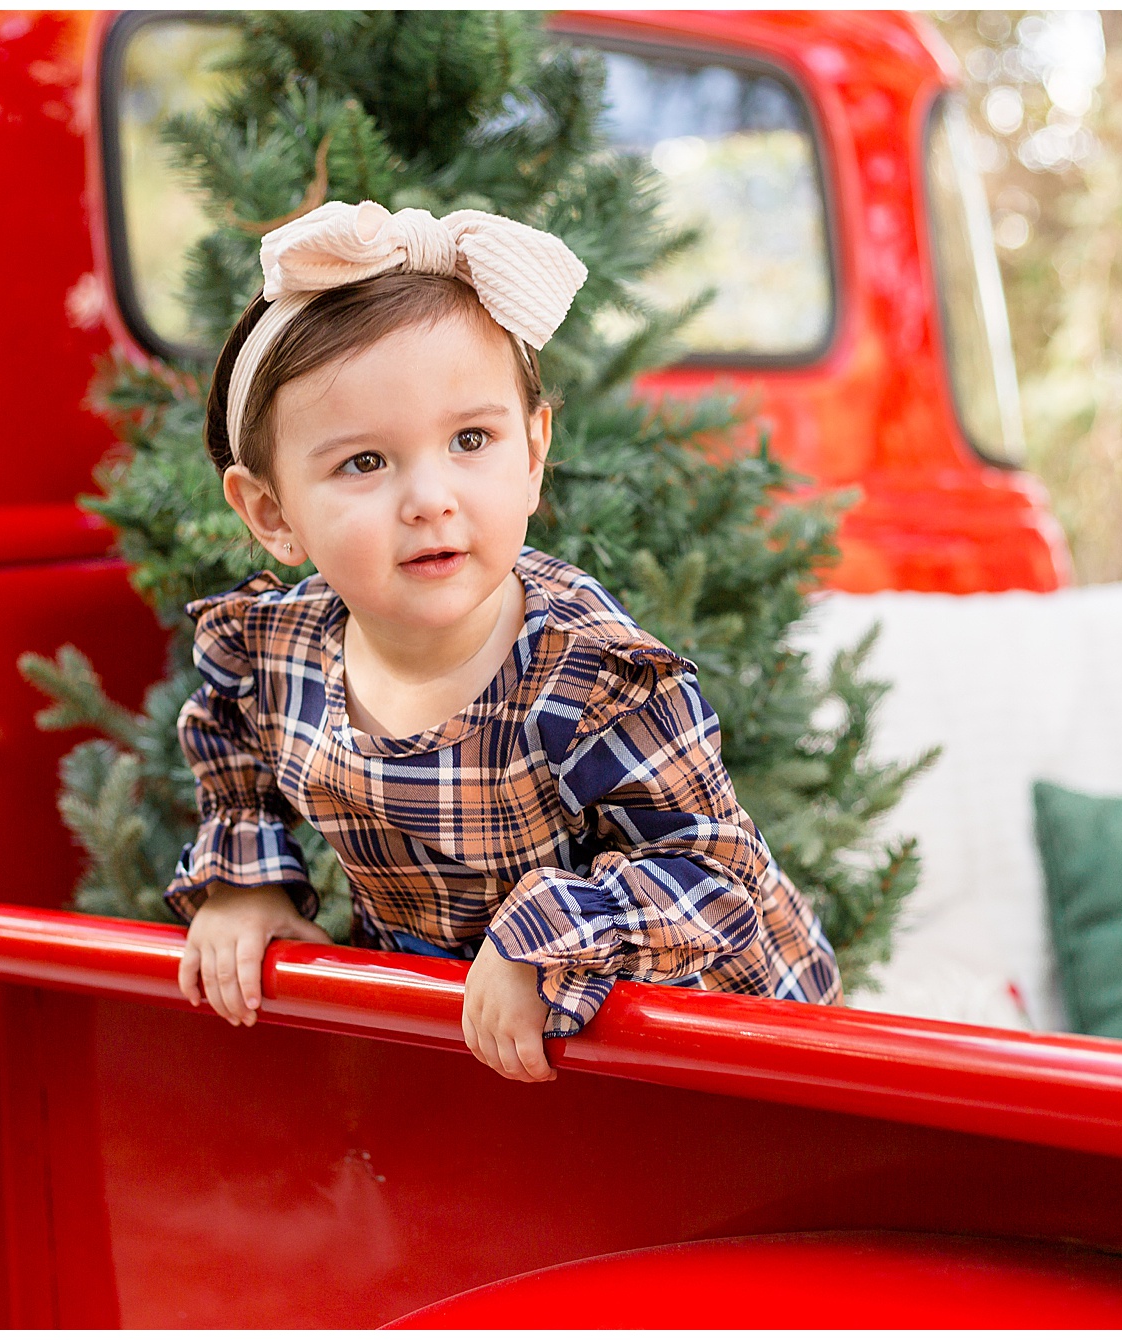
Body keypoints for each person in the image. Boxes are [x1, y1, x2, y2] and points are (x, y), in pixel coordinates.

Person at [170, 199, 841, 1083]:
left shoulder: (588, 677)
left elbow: (715, 878)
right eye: (364, 463)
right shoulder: (278, 654)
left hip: (705, 1032)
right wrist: (245, 882)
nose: (430, 498)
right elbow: (234, 746)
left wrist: (548, 936)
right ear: (270, 512)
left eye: (471, 440)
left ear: (532, 452)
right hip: (486, 1033)